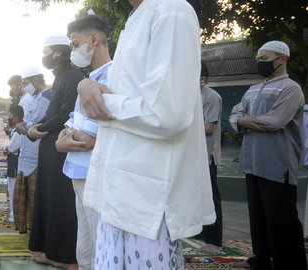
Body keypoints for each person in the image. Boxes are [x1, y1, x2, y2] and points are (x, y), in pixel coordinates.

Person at [77, 0, 215, 268]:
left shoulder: (170, 10)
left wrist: (103, 102)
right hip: (120, 188)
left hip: (148, 198)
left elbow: (167, 113)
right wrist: (88, 86)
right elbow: (129, 97)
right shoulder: (138, 17)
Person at [230, 40, 306, 269]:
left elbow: (275, 121)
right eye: (258, 59)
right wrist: (242, 120)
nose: (259, 63)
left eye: (264, 59)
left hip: (277, 164)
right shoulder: (253, 89)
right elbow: (234, 113)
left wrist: (242, 121)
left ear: (281, 59)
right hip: (252, 162)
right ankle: (260, 259)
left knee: (282, 221)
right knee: (259, 217)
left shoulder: (291, 88)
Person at [54, 15, 112, 270]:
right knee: (85, 243)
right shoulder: (88, 81)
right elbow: (70, 126)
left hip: (95, 174)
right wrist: (66, 137)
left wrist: (68, 137)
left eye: (76, 45)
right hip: (79, 172)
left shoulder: (111, 76)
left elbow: (88, 138)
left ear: (94, 40)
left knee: (101, 243)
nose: (73, 52)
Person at [27, 33, 83, 268]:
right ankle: (49, 249)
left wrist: (39, 129)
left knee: (60, 200)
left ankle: (62, 255)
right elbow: (53, 112)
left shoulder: (72, 76)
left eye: (45, 51)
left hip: (60, 145)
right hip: (51, 144)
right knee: (49, 197)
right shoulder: (61, 76)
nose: (44, 56)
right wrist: (38, 127)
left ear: (57, 52)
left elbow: (65, 114)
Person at [13, 66, 51, 234]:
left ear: (36, 80)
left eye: (25, 83)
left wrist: (24, 128)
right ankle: (30, 229)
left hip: (36, 155)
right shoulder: (37, 98)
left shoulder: (47, 98)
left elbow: (37, 126)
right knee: (25, 197)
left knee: (35, 197)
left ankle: (37, 234)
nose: (24, 87)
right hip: (27, 153)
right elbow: (29, 123)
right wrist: (24, 127)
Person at [194, 61, 224, 253]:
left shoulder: (212, 97)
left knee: (211, 197)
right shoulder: (190, 96)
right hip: (192, 156)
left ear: (203, 79)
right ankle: (199, 230)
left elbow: (208, 127)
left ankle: (214, 239)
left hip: (206, 155)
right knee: (194, 196)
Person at [6, 105, 25, 223]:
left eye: (10, 116)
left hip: (14, 163)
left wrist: (7, 149)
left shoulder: (19, 130)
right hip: (14, 162)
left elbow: (12, 147)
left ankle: (14, 216)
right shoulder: (17, 128)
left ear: (16, 117)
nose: (9, 118)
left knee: (13, 189)